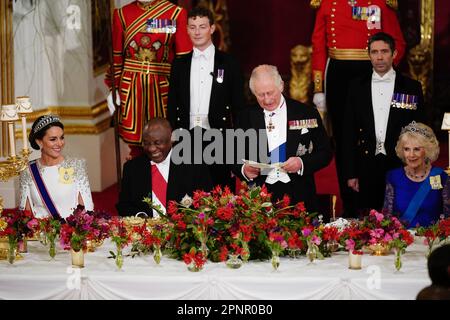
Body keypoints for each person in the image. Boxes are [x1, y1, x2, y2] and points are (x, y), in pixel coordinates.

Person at [310, 0, 406, 215]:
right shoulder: (327, 4)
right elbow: (318, 45)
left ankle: (383, 197)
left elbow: (397, 42)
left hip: (371, 69)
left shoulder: (381, 3)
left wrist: (388, 77)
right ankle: (350, 202)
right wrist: (319, 87)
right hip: (338, 75)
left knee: (377, 133)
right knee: (344, 139)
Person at [342, 32, 424, 217]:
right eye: (374, 52)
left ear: (394, 54)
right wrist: (350, 173)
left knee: (401, 218)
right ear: (368, 54)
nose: (379, 57)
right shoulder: (356, 86)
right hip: (366, 163)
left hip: (401, 163)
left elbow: (420, 131)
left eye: (384, 51)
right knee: (369, 221)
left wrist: (418, 166)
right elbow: (348, 133)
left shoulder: (412, 87)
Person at [235, 65, 332, 212]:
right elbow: (231, 155)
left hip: (300, 193)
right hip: (259, 197)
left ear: (281, 85)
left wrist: (301, 162)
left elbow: (325, 152)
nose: (267, 100)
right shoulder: (244, 117)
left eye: (270, 93)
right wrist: (243, 169)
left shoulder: (306, 113)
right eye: (260, 95)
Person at [167, 6, 245, 189]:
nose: (197, 32)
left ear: (212, 29)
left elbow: (238, 106)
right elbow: (172, 103)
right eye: (192, 27)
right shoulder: (179, 64)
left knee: (221, 192)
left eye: (202, 26)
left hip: (219, 136)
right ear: (186, 30)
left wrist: (239, 147)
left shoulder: (229, 63)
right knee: (187, 191)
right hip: (185, 136)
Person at [105, 0, 192, 159]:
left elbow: (184, 60)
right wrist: (114, 88)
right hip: (132, 88)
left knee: (163, 141)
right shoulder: (121, 14)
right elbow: (117, 58)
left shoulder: (175, 13)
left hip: (162, 86)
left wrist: (184, 93)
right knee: (136, 148)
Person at [116, 118, 213, 217]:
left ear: (171, 139)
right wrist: (141, 217)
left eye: (157, 143)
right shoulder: (132, 168)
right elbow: (124, 205)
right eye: (146, 143)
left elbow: (206, 202)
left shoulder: (194, 166)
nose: (151, 148)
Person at [19, 115, 94, 219]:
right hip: (41, 233)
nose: (60, 143)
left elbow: (87, 212)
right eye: (53, 139)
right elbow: (26, 215)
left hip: (71, 232)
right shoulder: (28, 170)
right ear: (39, 142)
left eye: (62, 137)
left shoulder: (76, 166)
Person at [383, 122, 449, 228]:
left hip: (433, 241)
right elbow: (386, 217)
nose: (411, 155)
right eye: (406, 149)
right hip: (403, 241)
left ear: (427, 150)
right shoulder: (393, 176)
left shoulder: (440, 176)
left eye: (417, 149)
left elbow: (448, 217)